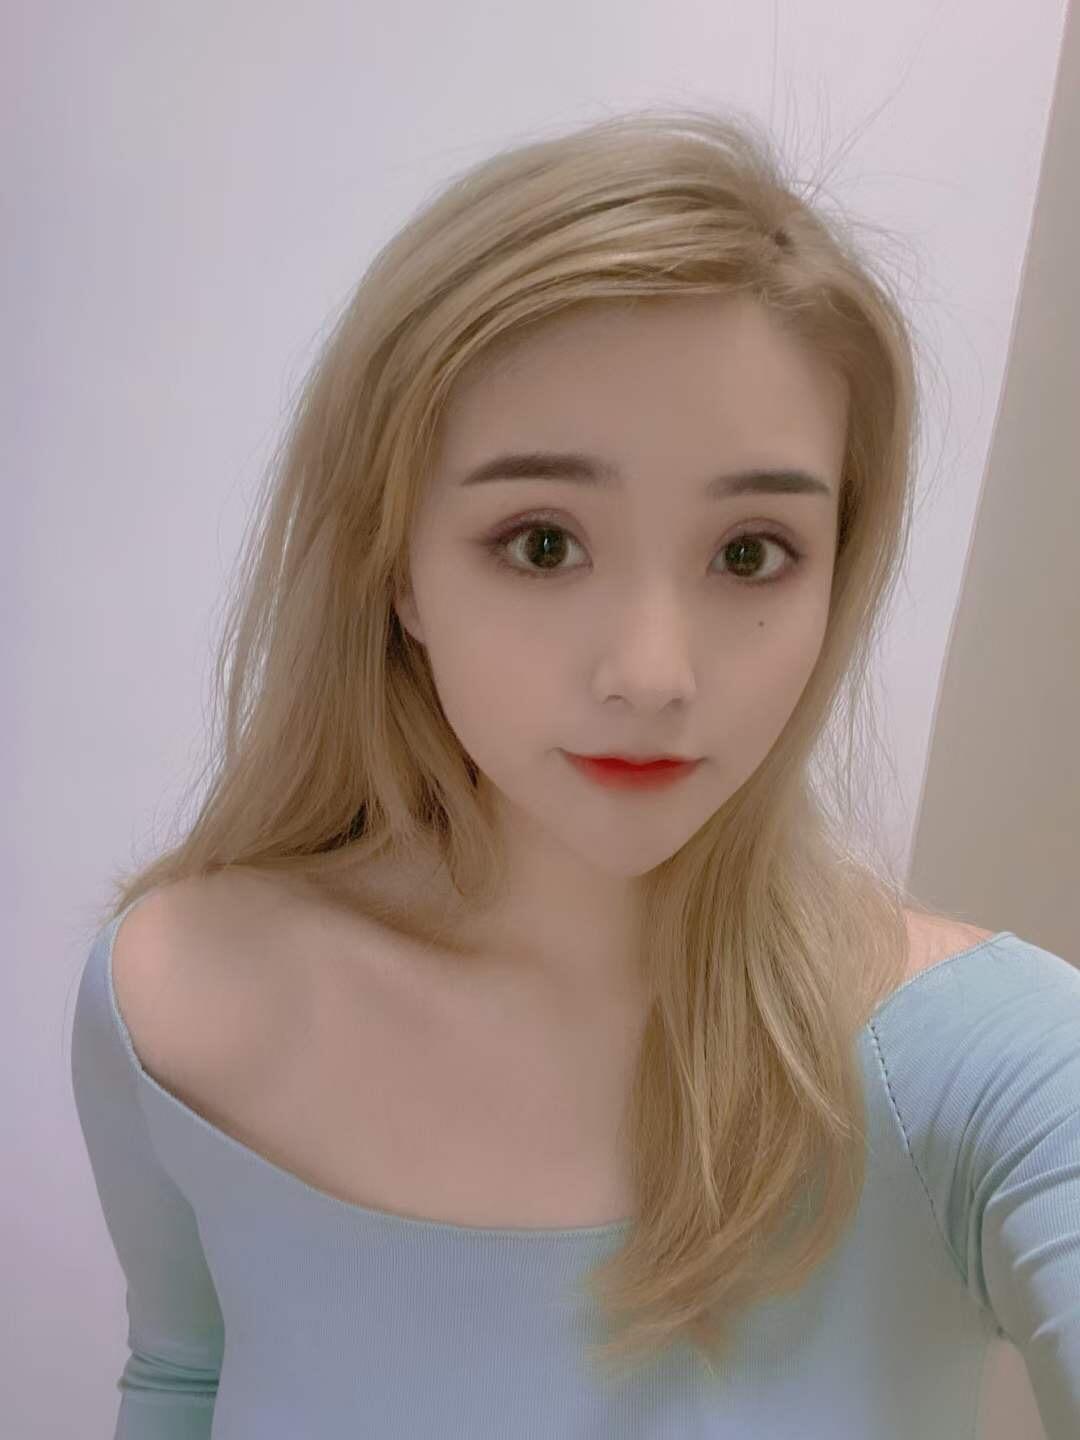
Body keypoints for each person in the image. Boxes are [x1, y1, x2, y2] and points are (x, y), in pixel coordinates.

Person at [70, 107, 1080, 1438]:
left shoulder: (991, 1071)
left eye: (750, 553)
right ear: (392, 564)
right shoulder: (176, 1003)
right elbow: (180, 1378)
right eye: (543, 542)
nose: (653, 674)